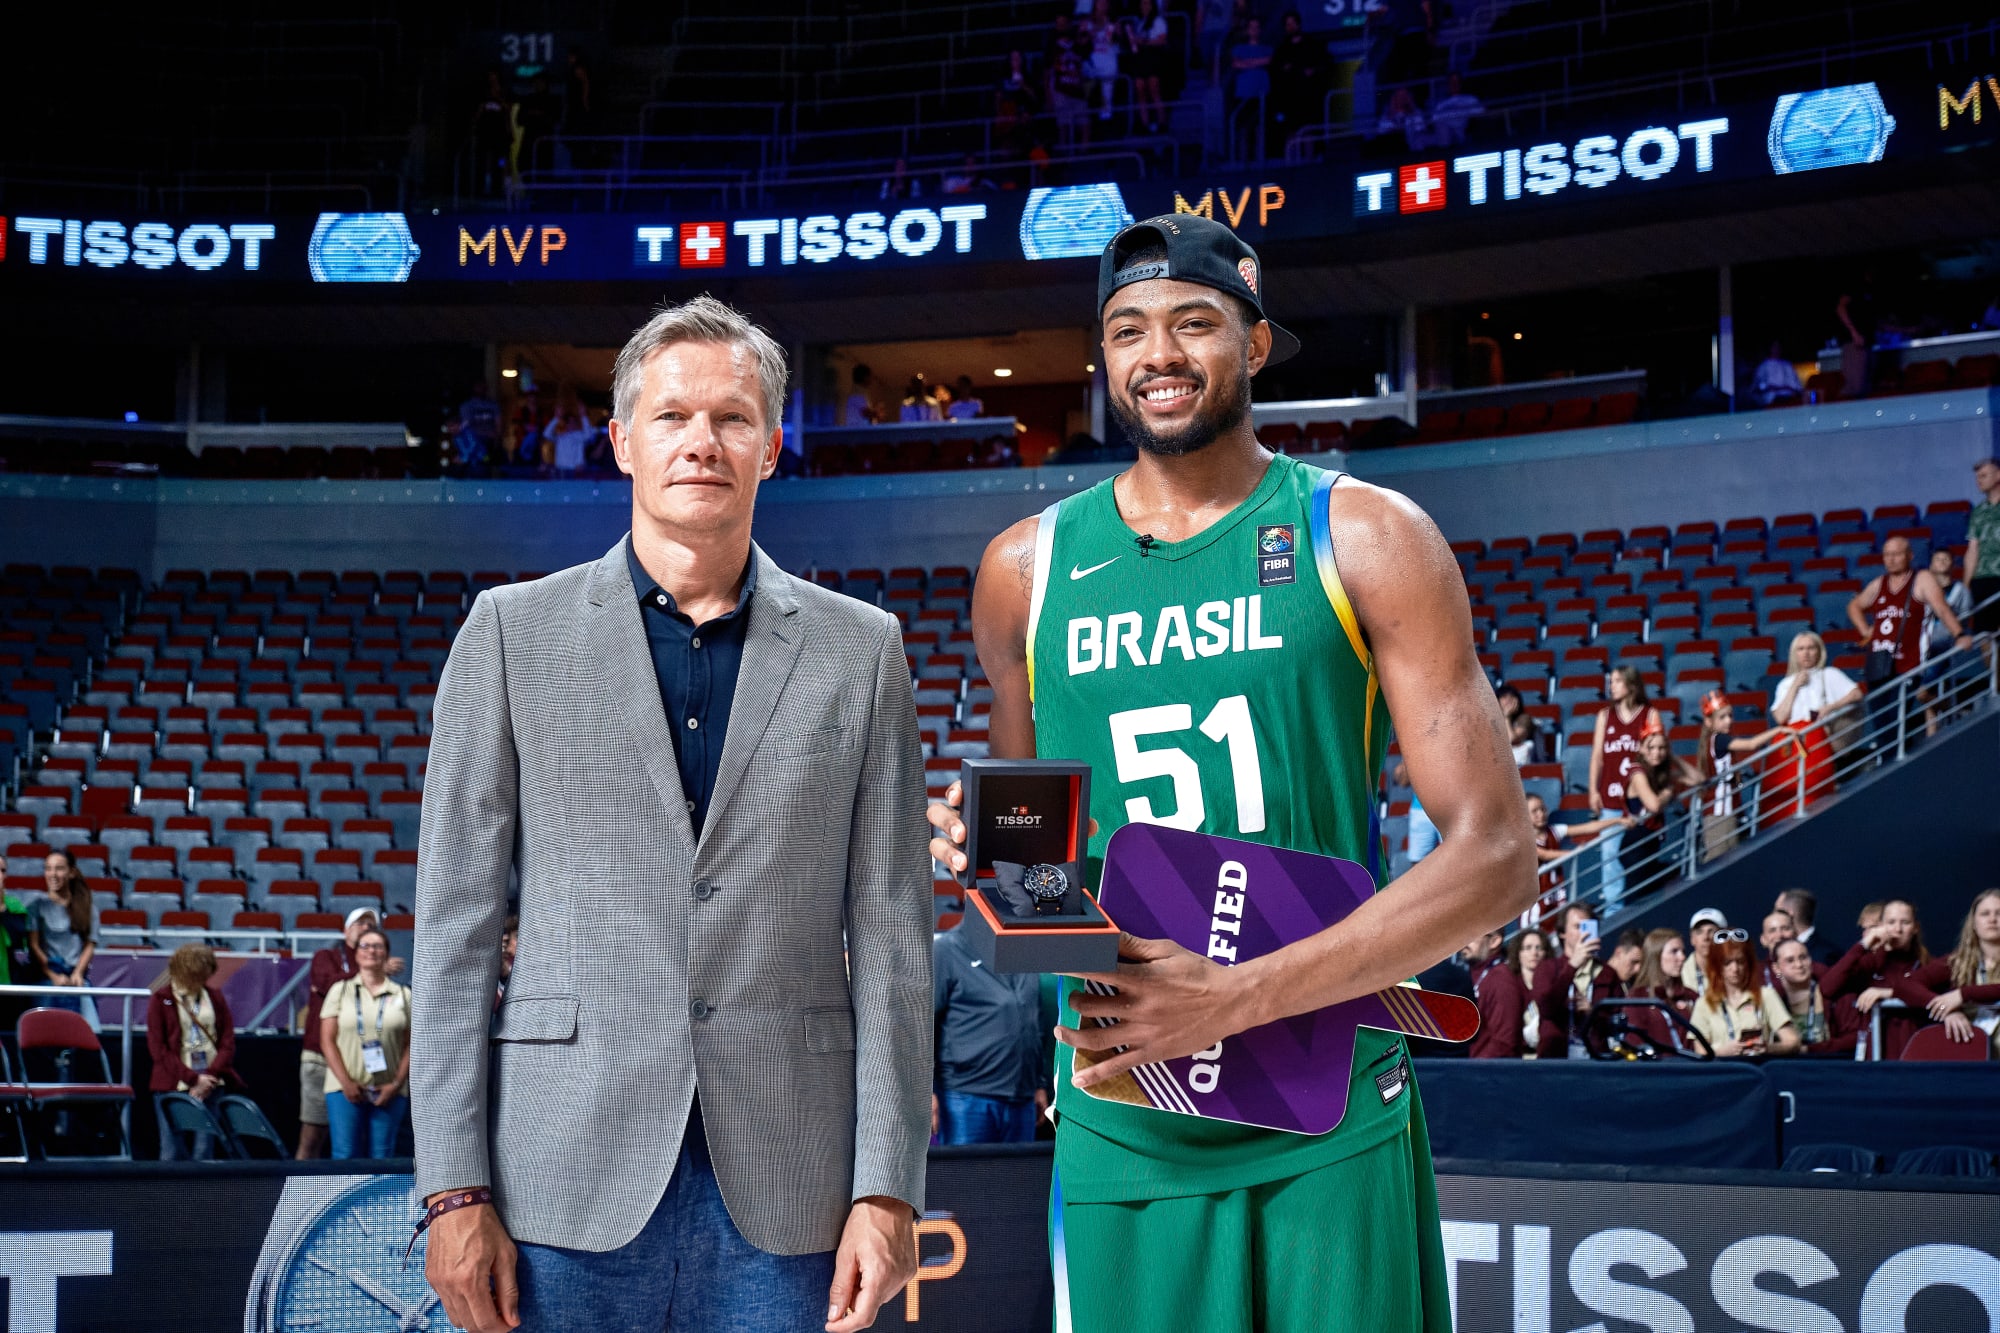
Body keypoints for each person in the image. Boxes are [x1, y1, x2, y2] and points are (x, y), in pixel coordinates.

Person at [927, 214, 1535, 1331]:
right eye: (1126, 330)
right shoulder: (1025, 570)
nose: (1156, 353)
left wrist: (1235, 995)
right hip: (1125, 1109)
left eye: (1192, 322)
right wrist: (1000, 866)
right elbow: (1028, 871)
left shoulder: (1360, 534)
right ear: (1101, 359)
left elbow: (1496, 855)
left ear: (1253, 346)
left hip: (1326, 1103)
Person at [414, 296, 930, 1333]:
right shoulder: (510, 634)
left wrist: (887, 1186)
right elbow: (456, 928)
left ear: (772, 448)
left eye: (733, 418)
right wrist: (454, 1190)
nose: (703, 441)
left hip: (791, 1185)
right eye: (672, 416)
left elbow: (889, 935)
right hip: (557, 1175)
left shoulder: (861, 650)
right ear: (620, 442)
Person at [1847, 534, 1971, 757]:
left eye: (1897, 554)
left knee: (1896, 718)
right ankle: (1887, 764)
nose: (1891, 559)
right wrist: (1866, 630)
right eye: (1887, 555)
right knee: (1881, 722)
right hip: (1879, 664)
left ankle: (1897, 764)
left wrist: (1959, 633)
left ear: (1909, 556)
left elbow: (1942, 608)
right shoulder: (1879, 584)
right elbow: (1855, 605)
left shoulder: (1921, 579)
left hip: (1908, 663)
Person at [931, 920, 1053, 1144]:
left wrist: (1039, 1084)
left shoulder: (1025, 951)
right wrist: (927, 1091)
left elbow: (1035, 1023)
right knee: (970, 1177)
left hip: (1022, 1098)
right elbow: (923, 1027)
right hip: (965, 1098)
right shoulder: (946, 951)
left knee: (1017, 1179)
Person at [296, 906, 395, 1160]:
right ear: (346, 930)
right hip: (320, 1058)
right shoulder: (326, 955)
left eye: (371, 925)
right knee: (313, 1134)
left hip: (358, 1062)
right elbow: (329, 983)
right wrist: (374, 967)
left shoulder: (380, 974)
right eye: (360, 923)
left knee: (357, 1142)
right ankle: (296, 1196)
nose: (366, 928)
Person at [320, 926, 411, 1160]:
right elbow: (327, 1040)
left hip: (390, 1089)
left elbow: (411, 1045)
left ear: (387, 953)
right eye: (365, 945)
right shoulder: (340, 991)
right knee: (344, 1154)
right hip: (344, 1089)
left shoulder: (403, 994)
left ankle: (379, 1199)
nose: (371, 950)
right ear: (356, 953)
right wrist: (346, 1082)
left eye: (378, 946)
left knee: (382, 1156)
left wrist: (396, 1084)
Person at [146, 943, 240, 1160]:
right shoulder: (161, 999)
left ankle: (200, 1193)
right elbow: (157, 1049)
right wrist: (192, 1078)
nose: (203, 981)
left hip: (211, 1082)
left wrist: (209, 1076)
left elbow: (227, 1041)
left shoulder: (214, 997)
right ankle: (167, 1193)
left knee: (204, 1150)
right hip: (173, 1083)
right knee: (171, 1150)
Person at [1587, 665, 1662, 912]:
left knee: (1641, 856)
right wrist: (1592, 790)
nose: (1612, 686)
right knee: (1609, 856)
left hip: (1637, 800)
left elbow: (1659, 752)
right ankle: (1613, 910)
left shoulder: (1649, 714)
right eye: (1611, 681)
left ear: (1631, 684)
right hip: (1610, 798)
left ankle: (1643, 906)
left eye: (1617, 681)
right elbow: (1597, 755)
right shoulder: (1604, 715)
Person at [1766, 630, 1860, 819]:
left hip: (1817, 741)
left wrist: (1831, 707)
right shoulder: (1785, 683)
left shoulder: (1829, 674)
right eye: (1801, 649)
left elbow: (1856, 694)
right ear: (1795, 654)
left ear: (1818, 651)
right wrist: (1795, 685)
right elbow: (1780, 717)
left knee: (1815, 795)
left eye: (1811, 648)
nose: (1806, 653)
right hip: (1790, 745)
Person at [1822, 898, 1930, 1059]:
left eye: (1905, 922)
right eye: (1891, 922)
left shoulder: (1926, 965)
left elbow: (1934, 997)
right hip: (1873, 1058)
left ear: (1915, 928)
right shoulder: (1870, 963)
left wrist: (1888, 993)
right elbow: (1827, 987)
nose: (1897, 929)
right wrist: (1862, 945)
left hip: (1913, 1057)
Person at [1896, 888, 2000, 1056]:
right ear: (1973, 923)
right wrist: (1946, 1009)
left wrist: (1962, 995)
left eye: (1999, 913)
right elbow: (1904, 984)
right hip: (1972, 1055)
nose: (1993, 919)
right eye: (1985, 914)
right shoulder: (1958, 961)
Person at [1694, 689, 1785, 861]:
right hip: (1720, 814)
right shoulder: (1720, 739)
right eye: (1722, 717)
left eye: (1730, 715)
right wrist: (1779, 730)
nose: (1728, 721)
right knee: (1717, 861)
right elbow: (1751, 744)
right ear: (1708, 721)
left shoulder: (1714, 740)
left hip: (1724, 812)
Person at [1689, 930, 1800, 1058]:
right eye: (1727, 963)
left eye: (1740, 961)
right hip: (1720, 1073)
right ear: (1717, 965)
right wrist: (1722, 1052)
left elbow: (1793, 1042)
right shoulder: (1704, 1004)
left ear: (1748, 963)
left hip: (1758, 1070)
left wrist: (1767, 1048)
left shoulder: (1766, 995)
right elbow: (1699, 1052)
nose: (1735, 968)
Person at [1524, 793, 1628, 926]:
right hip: (1535, 900)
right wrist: (1573, 852)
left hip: (1556, 892)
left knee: (1561, 927)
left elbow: (1587, 827)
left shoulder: (1554, 831)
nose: (1541, 814)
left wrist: (1617, 821)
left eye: (1543, 809)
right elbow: (1544, 854)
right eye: (1535, 811)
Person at [1618, 717, 1696, 896]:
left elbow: (1698, 779)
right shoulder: (1637, 772)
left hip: (1651, 843)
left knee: (1664, 884)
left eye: (1661, 748)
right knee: (1638, 899)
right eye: (1651, 747)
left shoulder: (1661, 774)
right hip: (1635, 844)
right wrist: (1668, 793)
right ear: (1641, 749)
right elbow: (1653, 805)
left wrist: (1673, 757)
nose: (1656, 752)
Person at [29, 850, 94, 1016]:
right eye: (48, 869)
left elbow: (89, 944)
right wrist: (53, 975)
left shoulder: (88, 907)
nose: (53, 874)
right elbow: (34, 945)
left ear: (71, 872)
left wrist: (78, 973)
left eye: (59, 868)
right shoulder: (36, 906)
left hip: (76, 979)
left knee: (87, 1030)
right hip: (47, 978)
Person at [1771, 938, 1860, 1056]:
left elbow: (1854, 1038)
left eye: (1803, 957)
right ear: (1776, 968)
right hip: (1780, 1067)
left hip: (1828, 1065)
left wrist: (1810, 1049)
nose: (1799, 965)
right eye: (1790, 960)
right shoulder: (1770, 997)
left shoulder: (1836, 993)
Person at [1628, 928, 1697, 1053]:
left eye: (1683, 951)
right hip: (1658, 1069)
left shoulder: (1691, 996)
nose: (1682, 957)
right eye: (1674, 951)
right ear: (1656, 955)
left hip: (1694, 1068)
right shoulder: (1637, 999)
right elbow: (1635, 1043)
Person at [1464, 929, 1527, 1059]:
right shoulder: (1471, 973)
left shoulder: (1501, 979)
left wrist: (1473, 1070)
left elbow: (1504, 1042)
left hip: (1486, 1073)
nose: (1463, 942)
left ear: (1494, 941)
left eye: (1472, 934)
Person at [1964, 456, 2000, 638]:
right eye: (1977, 477)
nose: (1979, 480)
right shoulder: (1977, 512)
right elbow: (1972, 549)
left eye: (1984, 475)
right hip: (1982, 579)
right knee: (1984, 634)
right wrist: (1966, 584)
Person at [1507, 929, 1557, 1058]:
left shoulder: (1555, 983)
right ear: (1518, 953)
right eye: (1528, 948)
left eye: (1539, 948)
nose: (1534, 953)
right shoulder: (1510, 984)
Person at [1127, 0, 1171, 134]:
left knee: (1154, 90)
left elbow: (1162, 40)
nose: (1144, 7)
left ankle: (1162, 121)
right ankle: (1144, 123)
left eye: (1147, 4)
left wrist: (1144, 42)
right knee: (1140, 91)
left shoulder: (1158, 21)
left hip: (1153, 58)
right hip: (1140, 59)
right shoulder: (1139, 23)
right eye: (1142, 4)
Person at [1776, 887, 1841, 967]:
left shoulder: (1827, 955)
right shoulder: (1778, 950)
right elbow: (1779, 978)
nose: (1774, 916)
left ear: (1789, 914)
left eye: (1778, 911)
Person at [542, 386, 593, 475]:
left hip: (576, 472)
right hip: (561, 471)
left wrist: (583, 416)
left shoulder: (580, 435)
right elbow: (546, 434)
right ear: (566, 423)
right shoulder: (560, 436)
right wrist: (556, 418)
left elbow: (589, 435)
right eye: (569, 422)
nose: (571, 424)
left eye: (573, 422)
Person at [1425, 72, 1483, 147]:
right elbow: (1434, 120)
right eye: (1451, 82)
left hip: (1463, 131)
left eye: (1456, 81)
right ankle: (1445, 153)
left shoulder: (1470, 99)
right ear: (1448, 84)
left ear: (1461, 83)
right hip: (1444, 135)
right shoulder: (1441, 104)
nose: (1454, 84)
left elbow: (1481, 113)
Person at [457, 380, 502, 469]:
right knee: (475, 448)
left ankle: (485, 462)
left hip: (490, 441)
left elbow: (499, 423)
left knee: (487, 458)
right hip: (473, 442)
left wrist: (497, 436)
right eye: (478, 387)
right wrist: (480, 434)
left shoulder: (493, 405)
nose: (481, 389)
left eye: (483, 387)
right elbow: (465, 426)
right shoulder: (467, 406)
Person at [1682, 908, 1726, 992]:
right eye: (1699, 932)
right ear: (1692, 939)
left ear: (1723, 936)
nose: (1705, 937)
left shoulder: (1738, 968)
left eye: (1711, 931)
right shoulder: (1681, 974)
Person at [1749, 341, 1804, 408]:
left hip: (1788, 398)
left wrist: (1789, 388)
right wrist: (1769, 387)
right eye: (1774, 347)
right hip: (1771, 399)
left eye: (1778, 347)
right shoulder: (1763, 366)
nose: (1776, 349)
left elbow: (1796, 385)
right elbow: (1758, 386)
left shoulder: (1786, 365)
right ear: (1770, 348)